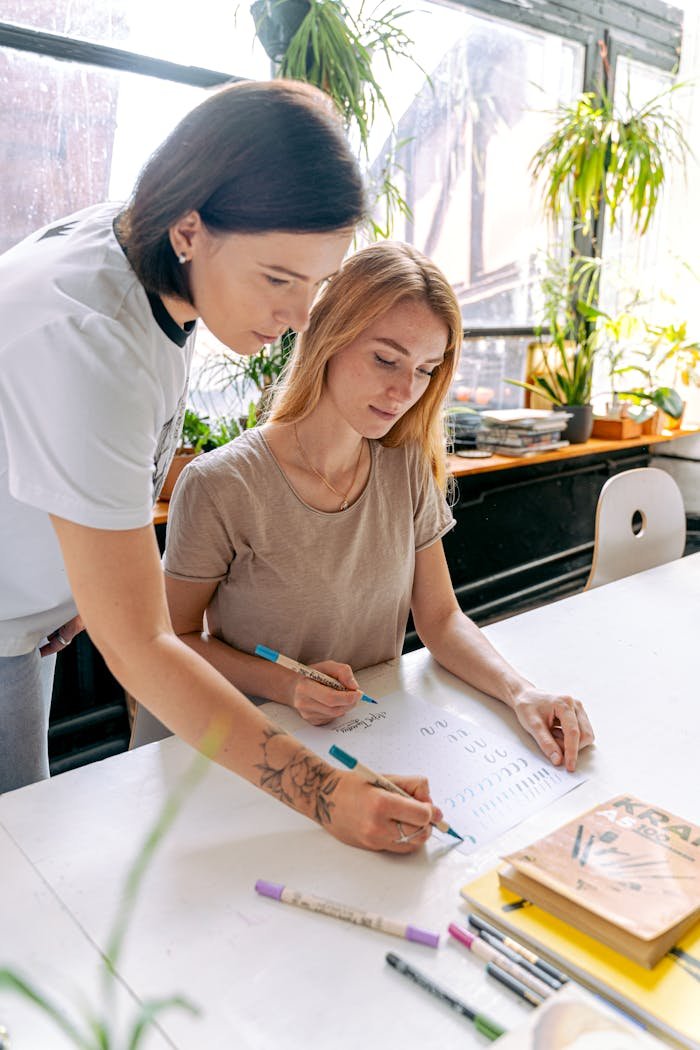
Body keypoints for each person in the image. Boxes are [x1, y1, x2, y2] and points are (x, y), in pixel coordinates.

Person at [0, 79, 441, 854]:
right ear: (190, 227)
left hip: (28, 625)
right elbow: (141, 644)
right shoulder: (90, 335)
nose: (300, 318)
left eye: (317, 283)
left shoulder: (154, 259)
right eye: (279, 279)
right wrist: (325, 793)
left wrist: (88, 577)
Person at [163, 242, 594, 776]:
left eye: (425, 370)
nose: (402, 391)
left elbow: (439, 619)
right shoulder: (221, 484)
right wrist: (286, 684)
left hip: (373, 739)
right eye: (385, 359)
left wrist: (523, 692)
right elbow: (172, 641)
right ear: (327, 336)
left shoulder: (405, 465)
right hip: (252, 753)